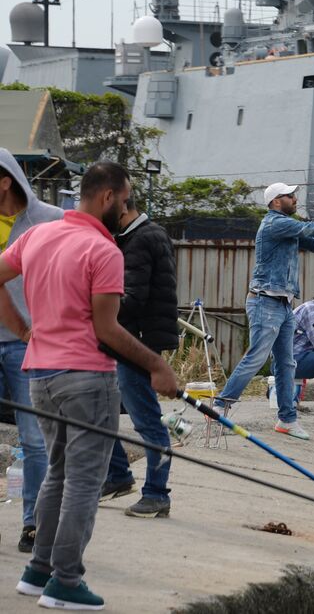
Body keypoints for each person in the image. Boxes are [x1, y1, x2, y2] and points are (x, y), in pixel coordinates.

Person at [0, 161, 180, 611]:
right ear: (108, 197)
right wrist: (157, 365)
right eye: (126, 198)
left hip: (40, 377)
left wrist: (25, 331)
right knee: (83, 481)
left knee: (58, 474)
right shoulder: (104, 252)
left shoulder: (38, 235)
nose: (127, 207)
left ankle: (38, 570)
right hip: (86, 379)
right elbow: (107, 329)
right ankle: (66, 580)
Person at [214, 182, 314, 439]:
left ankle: (287, 419)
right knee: (256, 357)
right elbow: (313, 228)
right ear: (277, 201)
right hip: (265, 302)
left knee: (287, 363)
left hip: (283, 304)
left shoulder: (286, 228)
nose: (295, 199)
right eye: (290, 196)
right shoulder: (275, 224)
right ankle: (220, 406)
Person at [101, 197, 180, 519]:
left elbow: (132, 298)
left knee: (147, 422)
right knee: (102, 413)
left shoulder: (142, 238)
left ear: (119, 206)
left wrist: (92, 308)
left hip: (137, 344)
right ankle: (118, 475)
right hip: (125, 340)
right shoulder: (138, 237)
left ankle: (157, 493)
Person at [0, 150, 59, 553]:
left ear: (5, 180)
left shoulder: (52, 220)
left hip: (27, 347)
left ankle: (33, 525)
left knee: (36, 440)